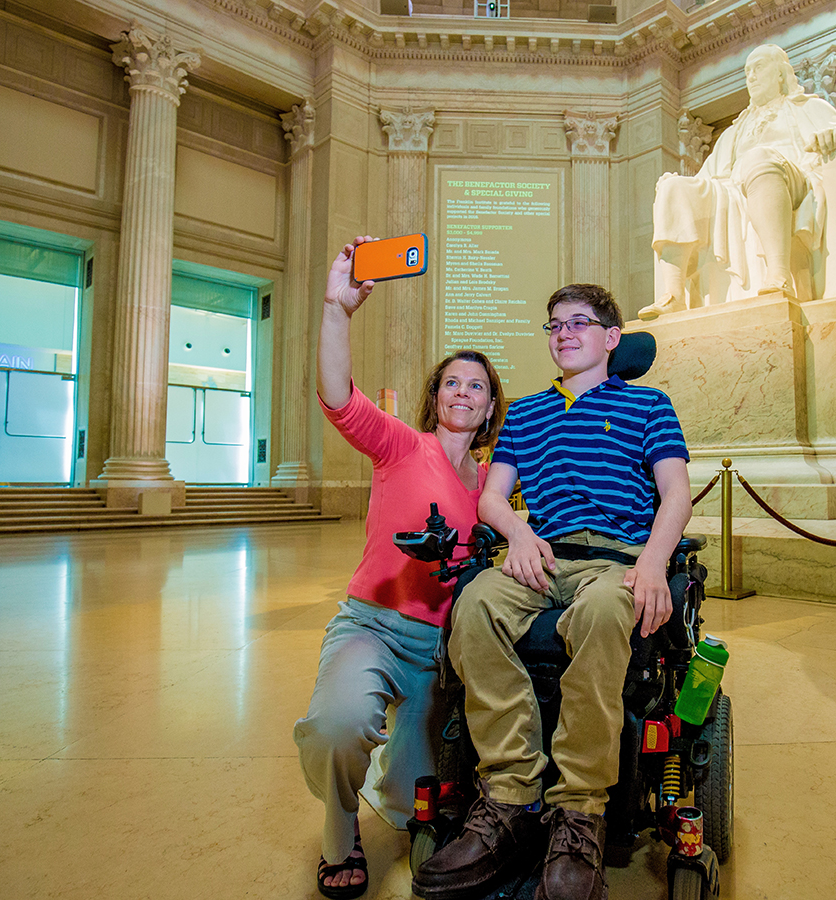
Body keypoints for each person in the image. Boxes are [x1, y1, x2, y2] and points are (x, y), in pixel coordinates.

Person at [413, 284, 693, 900]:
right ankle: (510, 797)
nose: (563, 333)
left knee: (599, 611)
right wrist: (516, 531)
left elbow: (675, 493)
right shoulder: (529, 414)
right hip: (543, 554)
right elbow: (492, 497)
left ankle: (580, 811)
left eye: (579, 323)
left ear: (612, 338)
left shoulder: (649, 406)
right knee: (476, 602)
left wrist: (652, 563)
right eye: (554, 325)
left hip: (617, 559)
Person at [294, 238, 505, 899]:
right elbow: (338, 396)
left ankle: (402, 778)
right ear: (435, 397)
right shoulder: (399, 445)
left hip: (442, 652)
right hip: (374, 625)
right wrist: (337, 309)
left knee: (421, 791)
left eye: (476, 384)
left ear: (491, 405)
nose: (463, 391)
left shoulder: (496, 485)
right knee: (336, 728)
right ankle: (339, 832)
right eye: (451, 382)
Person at [639, 43, 836, 318]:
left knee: (758, 159)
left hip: (795, 179)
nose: (751, 77)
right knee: (673, 187)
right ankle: (675, 295)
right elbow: (708, 177)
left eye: (758, 68)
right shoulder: (736, 130)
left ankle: (779, 274)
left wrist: (833, 137)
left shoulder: (808, 108)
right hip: (737, 190)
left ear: (781, 75)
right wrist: (676, 186)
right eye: (748, 71)